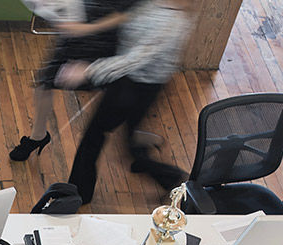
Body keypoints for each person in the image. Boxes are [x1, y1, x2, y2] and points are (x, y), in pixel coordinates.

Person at [55, 0, 198, 204]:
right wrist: (85, 28)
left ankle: (78, 193)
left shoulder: (172, 23)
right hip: (136, 84)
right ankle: (170, 177)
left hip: (134, 87)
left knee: (94, 136)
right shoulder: (154, 4)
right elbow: (126, 16)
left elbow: (134, 60)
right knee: (131, 139)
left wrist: (87, 71)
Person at [9, 0, 143, 161]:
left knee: (116, 90)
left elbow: (125, 14)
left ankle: (132, 135)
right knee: (45, 82)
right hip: (76, 26)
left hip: (105, 38)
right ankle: (38, 136)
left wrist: (85, 28)